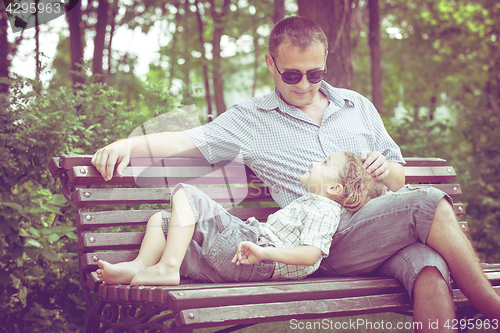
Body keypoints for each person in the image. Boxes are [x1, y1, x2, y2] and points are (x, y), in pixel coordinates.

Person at [92, 16, 500, 331]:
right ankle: (492, 307)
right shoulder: (251, 119)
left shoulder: (357, 106)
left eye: (314, 73)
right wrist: (129, 144)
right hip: (325, 244)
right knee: (429, 202)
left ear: (325, 63)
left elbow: (397, 176)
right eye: (291, 75)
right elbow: (189, 139)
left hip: (383, 233)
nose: (304, 85)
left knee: (428, 264)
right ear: (271, 64)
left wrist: (388, 169)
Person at [96, 152, 386, 285]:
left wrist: (263, 251)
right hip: (237, 263)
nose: (313, 162)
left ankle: (167, 267)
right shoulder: (313, 203)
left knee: (188, 193)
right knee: (163, 220)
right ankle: (140, 267)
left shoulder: (324, 209)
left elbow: (311, 255)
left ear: (334, 188)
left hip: (254, 254)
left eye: (323, 163)